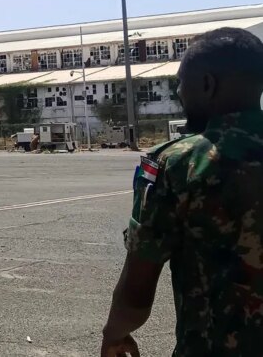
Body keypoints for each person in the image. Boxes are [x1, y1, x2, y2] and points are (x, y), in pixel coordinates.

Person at [101, 27, 263, 356]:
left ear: (207, 84)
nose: (178, 92)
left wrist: (114, 334)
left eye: (180, 83)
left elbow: (137, 289)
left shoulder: (178, 164)